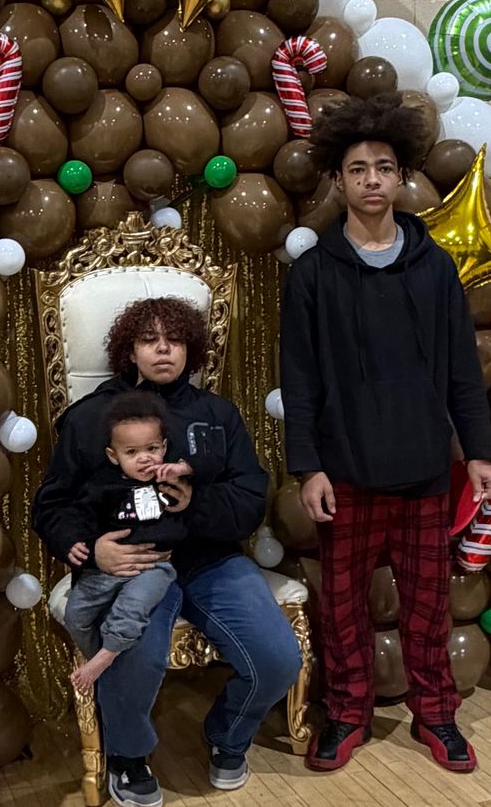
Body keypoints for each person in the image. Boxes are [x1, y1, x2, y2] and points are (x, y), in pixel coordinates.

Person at [280, 93, 491, 774]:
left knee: (428, 607)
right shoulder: (313, 274)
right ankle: (348, 713)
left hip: (425, 470)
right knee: (343, 609)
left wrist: (480, 452)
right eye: (357, 169)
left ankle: (436, 712)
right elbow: (300, 379)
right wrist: (308, 467)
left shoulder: (434, 269)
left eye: (383, 167)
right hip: (344, 473)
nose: (371, 180)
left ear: (402, 177)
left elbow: (462, 369)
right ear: (337, 180)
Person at [33, 296, 301, 807]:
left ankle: (228, 737)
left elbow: (249, 498)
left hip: (210, 560)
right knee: (132, 651)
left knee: (277, 658)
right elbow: (54, 503)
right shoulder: (90, 419)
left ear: (191, 348)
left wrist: (195, 501)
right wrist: (92, 553)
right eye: (149, 339)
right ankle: (128, 756)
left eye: (174, 339)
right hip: (131, 565)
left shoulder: (217, 414)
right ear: (129, 349)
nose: (163, 349)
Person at [64, 390, 190, 694]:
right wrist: (77, 542)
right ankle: (102, 661)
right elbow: (80, 516)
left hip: (152, 567)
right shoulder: (101, 486)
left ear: (164, 448)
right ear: (113, 456)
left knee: (131, 607)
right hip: (105, 570)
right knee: (75, 613)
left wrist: (184, 490)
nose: (144, 458)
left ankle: (107, 656)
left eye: (151, 448)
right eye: (131, 452)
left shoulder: (169, 484)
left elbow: (182, 523)